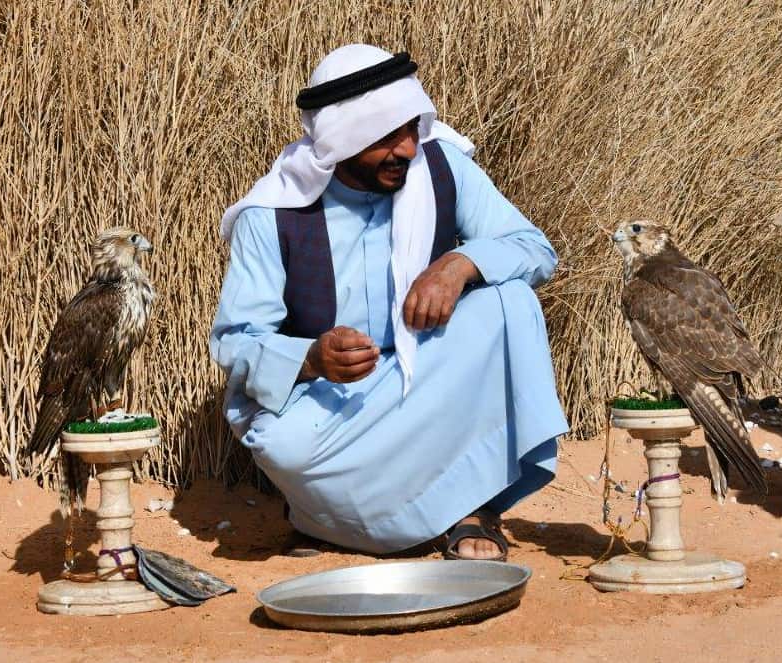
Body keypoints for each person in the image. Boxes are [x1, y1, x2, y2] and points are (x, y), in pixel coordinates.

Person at [210, 44, 568, 560]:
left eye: (411, 130)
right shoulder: (273, 215)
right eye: (387, 136)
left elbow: (534, 248)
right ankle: (333, 522)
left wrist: (459, 265)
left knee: (510, 300)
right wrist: (309, 358)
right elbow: (235, 342)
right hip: (337, 405)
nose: (406, 149)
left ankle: (472, 508)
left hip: (429, 375)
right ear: (342, 139)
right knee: (280, 443)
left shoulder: (441, 168)